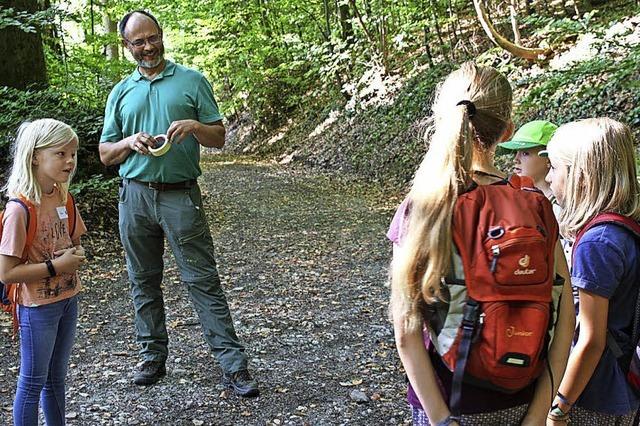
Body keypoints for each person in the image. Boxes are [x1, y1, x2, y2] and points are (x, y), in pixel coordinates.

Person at [387, 62, 575, 425]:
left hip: (446, 398)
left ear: (442, 120)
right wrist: (538, 416)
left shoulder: (424, 208)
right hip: (522, 397)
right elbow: (565, 321)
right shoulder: (534, 206)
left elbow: (406, 332)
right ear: (506, 131)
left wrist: (441, 419)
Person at [98, 10, 258, 396]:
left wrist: (195, 127)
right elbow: (105, 152)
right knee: (143, 280)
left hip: (181, 195)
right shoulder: (121, 91)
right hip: (134, 195)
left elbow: (218, 137)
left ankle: (233, 365)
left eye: (153, 38)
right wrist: (128, 143)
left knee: (202, 280)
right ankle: (152, 356)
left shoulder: (191, 80)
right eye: (139, 42)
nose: (148, 47)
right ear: (127, 46)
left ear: (161, 36)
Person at [543, 118, 640, 425]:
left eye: (555, 168)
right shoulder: (625, 229)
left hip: (596, 396)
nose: (548, 176)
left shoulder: (597, 243)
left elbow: (591, 339)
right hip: (622, 386)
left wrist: (559, 407)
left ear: (580, 178)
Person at [0, 119, 87, 426]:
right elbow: (7, 273)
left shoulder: (64, 197)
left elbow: (75, 243)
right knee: (33, 381)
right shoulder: (19, 209)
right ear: (35, 156)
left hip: (68, 299)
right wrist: (55, 266)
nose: (70, 161)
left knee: (56, 380)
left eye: (73, 154)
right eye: (60, 153)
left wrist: (74, 255)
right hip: (37, 307)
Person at [498, 120, 573, 261]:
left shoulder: (565, 206)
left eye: (525, 153)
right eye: (516, 152)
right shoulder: (513, 200)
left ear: (548, 158)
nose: (516, 159)